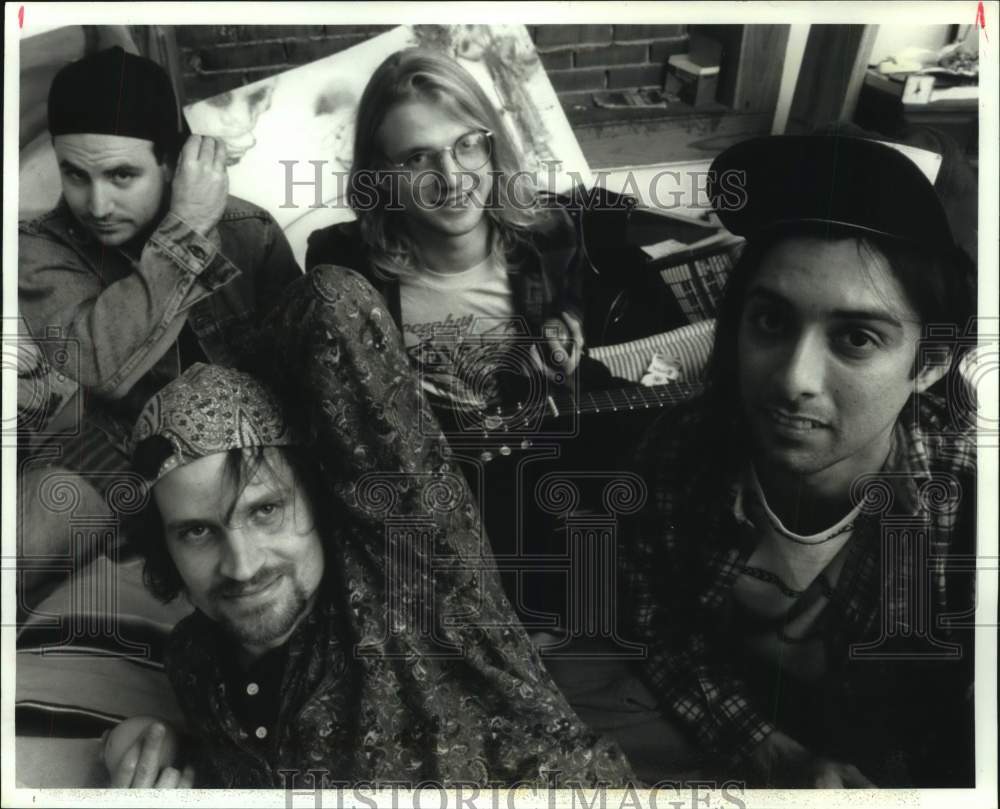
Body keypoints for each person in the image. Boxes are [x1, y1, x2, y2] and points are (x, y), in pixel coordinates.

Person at [106, 266, 635, 788]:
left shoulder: (409, 582)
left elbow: (334, 302)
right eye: (196, 532)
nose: (243, 566)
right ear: (164, 544)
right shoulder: (194, 661)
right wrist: (145, 741)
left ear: (318, 497)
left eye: (265, 511)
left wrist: (251, 388)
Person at [620, 134, 977, 787]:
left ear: (929, 364)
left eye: (856, 337)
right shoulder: (676, 455)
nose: (793, 379)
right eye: (772, 322)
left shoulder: (969, 506)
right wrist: (773, 751)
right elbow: (657, 630)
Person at [18, 45, 300, 497]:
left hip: (253, 446)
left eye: (121, 176)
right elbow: (99, 364)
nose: (97, 205)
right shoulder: (39, 247)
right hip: (122, 449)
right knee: (30, 534)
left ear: (172, 164)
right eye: (75, 175)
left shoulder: (249, 231)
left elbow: (300, 378)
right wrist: (184, 233)